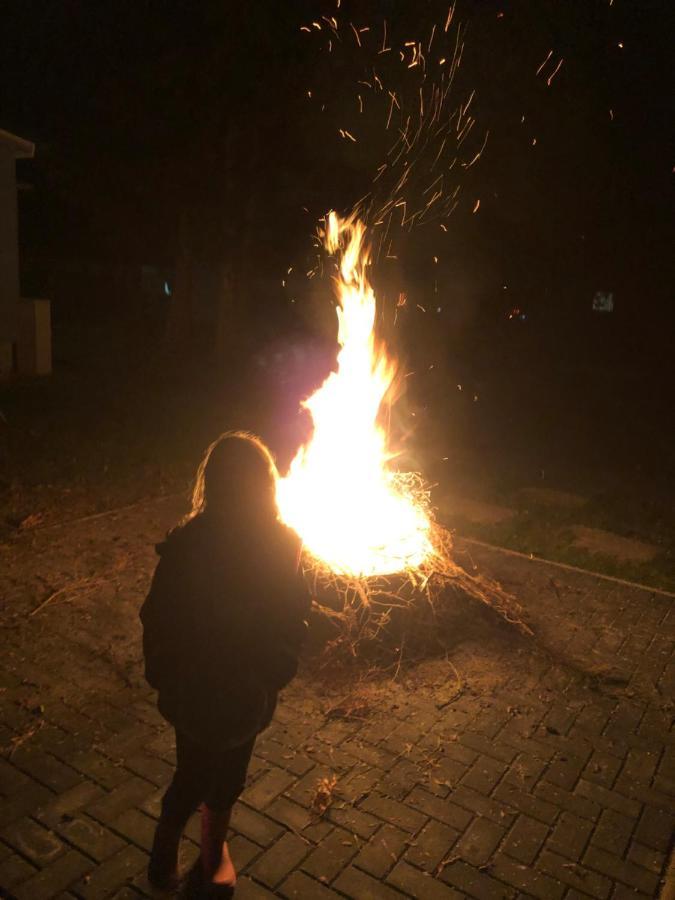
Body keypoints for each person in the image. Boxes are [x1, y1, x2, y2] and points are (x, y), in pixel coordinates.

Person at [140, 432, 310, 898]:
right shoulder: (191, 547)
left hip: (237, 692)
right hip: (209, 692)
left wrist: (274, 670)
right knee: (203, 775)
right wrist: (169, 673)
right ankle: (171, 848)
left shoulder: (277, 546)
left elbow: (290, 613)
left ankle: (211, 853)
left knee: (211, 775)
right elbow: (161, 616)